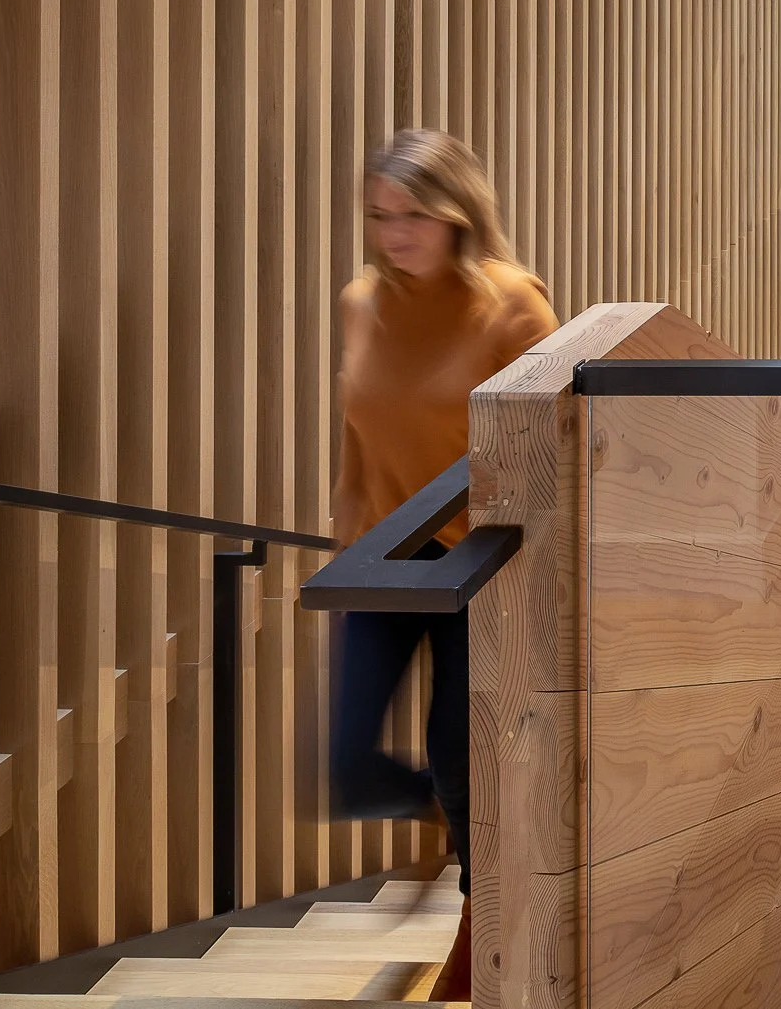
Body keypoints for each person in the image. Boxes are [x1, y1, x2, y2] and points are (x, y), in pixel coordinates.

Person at [332, 130, 560, 1001]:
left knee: (466, 763)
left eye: (414, 216)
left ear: (458, 213)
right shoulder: (361, 304)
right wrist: (343, 555)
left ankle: (483, 922)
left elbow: (546, 445)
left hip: (482, 560)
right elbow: (357, 446)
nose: (394, 234)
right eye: (380, 216)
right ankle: (437, 814)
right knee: (348, 760)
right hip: (385, 555)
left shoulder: (511, 306)